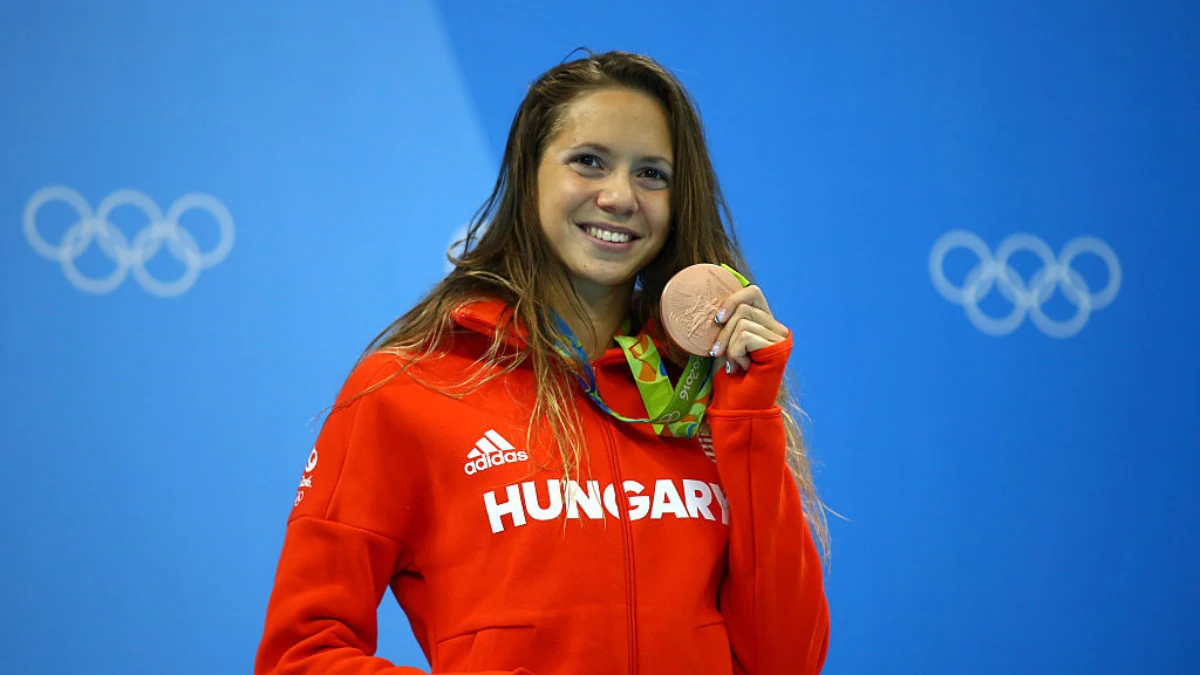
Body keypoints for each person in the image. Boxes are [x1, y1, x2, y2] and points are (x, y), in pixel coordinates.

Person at [255, 50, 830, 675]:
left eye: (652, 174)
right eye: (589, 161)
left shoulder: (703, 392)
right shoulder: (413, 385)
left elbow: (786, 662)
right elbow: (299, 656)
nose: (620, 196)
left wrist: (747, 418)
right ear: (529, 173)